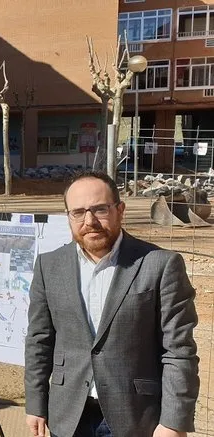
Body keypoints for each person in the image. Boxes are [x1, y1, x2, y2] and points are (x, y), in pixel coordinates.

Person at [24, 171, 199, 437]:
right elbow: (39, 341)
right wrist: (35, 404)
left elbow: (178, 350)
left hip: (136, 417)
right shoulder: (49, 266)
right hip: (68, 415)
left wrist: (174, 421)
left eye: (100, 209)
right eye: (78, 212)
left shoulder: (160, 265)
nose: (89, 221)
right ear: (68, 217)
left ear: (120, 210)